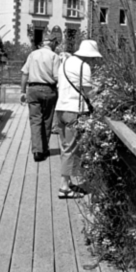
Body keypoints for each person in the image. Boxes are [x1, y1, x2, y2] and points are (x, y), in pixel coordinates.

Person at [55, 40, 103, 199]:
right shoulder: (84, 66)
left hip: (61, 109)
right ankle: (64, 187)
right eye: (93, 58)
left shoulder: (65, 63)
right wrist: (100, 90)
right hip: (74, 110)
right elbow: (89, 93)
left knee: (65, 147)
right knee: (71, 150)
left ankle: (67, 182)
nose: (93, 61)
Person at [20, 37, 60, 162]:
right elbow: (57, 76)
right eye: (56, 44)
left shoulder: (32, 54)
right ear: (52, 44)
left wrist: (22, 91)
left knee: (35, 121)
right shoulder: (54, 56)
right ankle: (45, 149)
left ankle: (37, 151)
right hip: (49, 89)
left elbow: (25, 73)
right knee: (47, 120)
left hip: (33, 89)